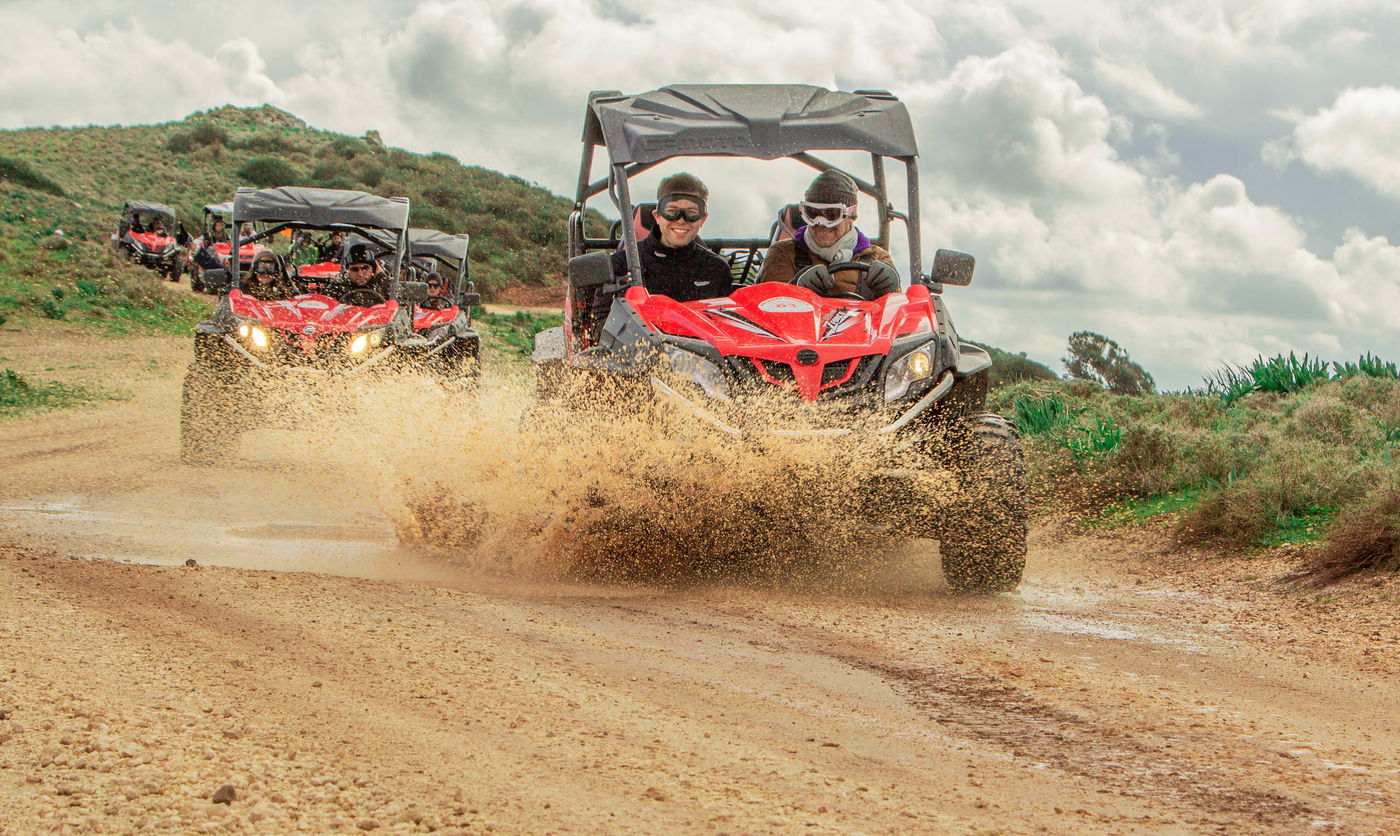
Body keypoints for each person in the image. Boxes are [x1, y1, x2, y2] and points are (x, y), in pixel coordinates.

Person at [593, 173, 731, 335]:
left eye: (691, 213)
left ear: (703, 220)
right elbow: (597, 325)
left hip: (706, 356)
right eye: (672, 211)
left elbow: (727, 326)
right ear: (657, 216)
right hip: (636, 353)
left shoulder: (717, 269)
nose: (681, 220)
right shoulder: (619, 265)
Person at [756, 169, 899, 299]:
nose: (821, 223)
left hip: (862, 326)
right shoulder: (784, 252)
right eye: (813, 214)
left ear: (850, 216)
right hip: (801, 325)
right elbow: (768, 304)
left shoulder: (877, 257)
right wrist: (794, 288)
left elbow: (896, 313)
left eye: (832, 215)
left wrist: (890, 290)